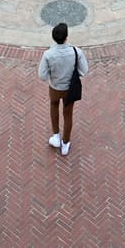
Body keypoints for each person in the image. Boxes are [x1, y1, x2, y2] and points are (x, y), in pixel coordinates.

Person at [38, 22, 88, 155]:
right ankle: (65, 143)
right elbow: (84, 71)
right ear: (66, 37)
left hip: (55, 88)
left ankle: (56, 136)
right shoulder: (76, 52)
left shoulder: (48, 54)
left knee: (54, 106)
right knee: (68, 114)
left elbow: (42, 76)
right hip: (69, 89)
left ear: (53, 38)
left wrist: (52, 75)